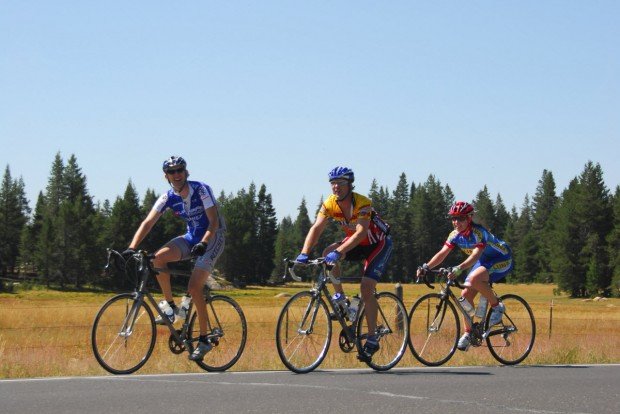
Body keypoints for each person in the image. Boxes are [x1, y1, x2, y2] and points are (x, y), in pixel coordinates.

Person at [123, 156, 226, 361]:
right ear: (166, 176)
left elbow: (213, 221)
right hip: (190, 237)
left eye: (180, 170)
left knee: (194, 287)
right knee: (157, 259)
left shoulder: (201, 189)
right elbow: (148, 222)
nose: (177, 174)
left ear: (186, 172)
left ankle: (204, 340)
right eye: (172, 172)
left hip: (212, 237)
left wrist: (204, 243)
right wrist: (131, 247)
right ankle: (170, 307)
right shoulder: (168, 197)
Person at [296, 166, 393, 361]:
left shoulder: (362, 203)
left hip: (377, 244)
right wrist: (304, 253)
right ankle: (340, 298)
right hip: (355, 244)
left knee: (366, 288)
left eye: (340, 183)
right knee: (326, 253)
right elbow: (316, 228)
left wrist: (339, 251)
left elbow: (361, 233)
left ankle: (372, 338)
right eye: (332, 183)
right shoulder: (330, 204)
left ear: (349, 184)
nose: (335, 187)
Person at [417, 201, 513, 351]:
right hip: (484, 261)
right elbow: (442, 253)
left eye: (460, 218)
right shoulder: (454, 235)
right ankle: (469, 333)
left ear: (469, 218)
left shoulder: (479, 233)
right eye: (453, 218)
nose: (456, 222)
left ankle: (497, 307)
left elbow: (475, 256)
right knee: (465, 295)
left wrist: (459, 268)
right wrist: (426, 266)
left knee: (475, 279)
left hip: (502, 259)